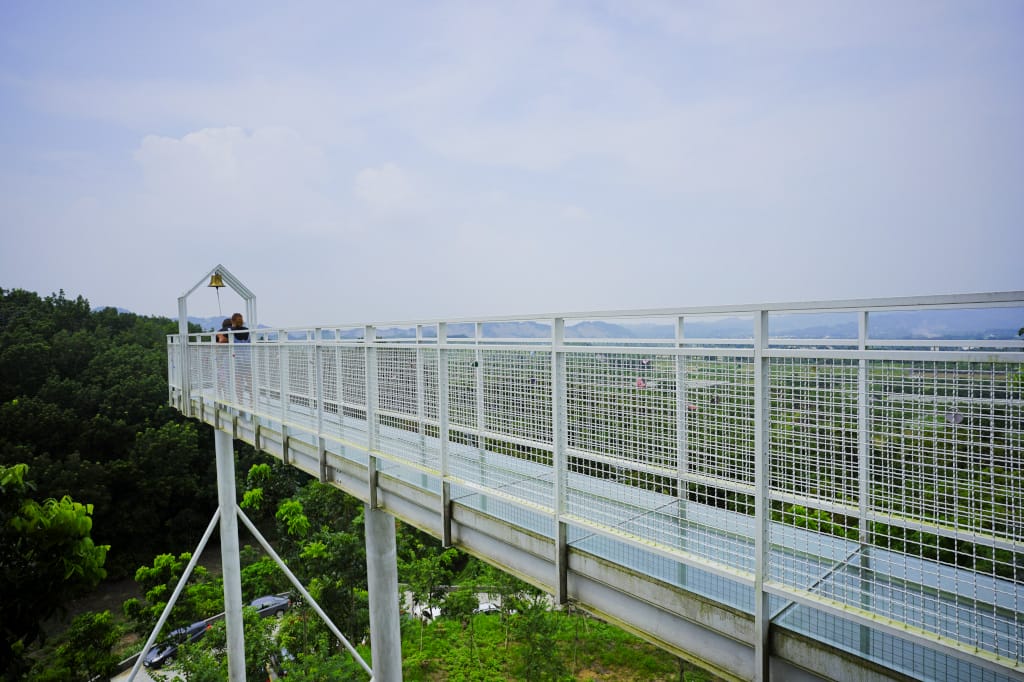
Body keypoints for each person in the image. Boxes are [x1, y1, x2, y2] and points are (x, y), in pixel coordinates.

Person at [230, 313, 252, 404]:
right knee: (250, 381)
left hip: (237, 360)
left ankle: (240, 401)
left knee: (238, 382)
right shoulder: (247, 331)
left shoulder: (231, 331)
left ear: (233, 321)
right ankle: (252, 401)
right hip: (247, 359)